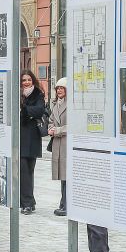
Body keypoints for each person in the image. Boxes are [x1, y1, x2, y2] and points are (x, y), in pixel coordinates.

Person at [19, 70, 46, 214]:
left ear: (33, 80)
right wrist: (30, 113)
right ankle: (27, 203)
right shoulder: (16, 94)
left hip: (33, 138)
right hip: (19, 138)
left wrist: (24, 110)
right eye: (24, 80)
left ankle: (29, 201)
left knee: (29, 171)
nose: (26, 82)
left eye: (29, 79)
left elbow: (40, 111)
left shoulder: (38, 94)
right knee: (23, 171)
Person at [48, 77, 67, 216]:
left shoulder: (71, 104)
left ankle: (66, 204)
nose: (59, 90)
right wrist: (50, 128)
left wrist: (58, 130)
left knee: (67, 176)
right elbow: (51, 120)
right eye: (57, 88)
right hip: (57, 144)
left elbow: (75, 125)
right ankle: (63, 203)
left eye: (62, 88)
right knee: (62, 175)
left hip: (66, 143)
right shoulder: (55, 104)